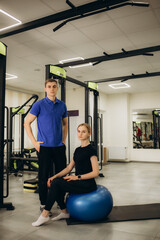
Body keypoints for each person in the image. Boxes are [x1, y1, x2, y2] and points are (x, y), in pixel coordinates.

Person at [32, 123, 99, 227]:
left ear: (89, 134)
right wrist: (54, 176)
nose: (80, 134)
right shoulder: (78, 150)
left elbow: (96, 172)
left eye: (83, 132)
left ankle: (45, 214)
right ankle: (64, 212)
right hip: (78, 182)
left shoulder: (91, 150)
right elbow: (68, 168)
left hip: (87, 184)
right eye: (78, 131)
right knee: (55, 182)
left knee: (57, 184)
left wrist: (76, 177)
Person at [24, 78, 68, 215]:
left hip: (59, 147)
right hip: (44, 147)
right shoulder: (39, 105)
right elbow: (27, 123)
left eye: (54, 86)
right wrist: (34, 142)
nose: (52, 89)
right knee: (43, 177)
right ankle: (43, 204)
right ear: (45, 89)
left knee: (61, 176)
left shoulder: (62, 105)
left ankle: (61, 204)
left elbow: (65, 124)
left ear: (57, 88)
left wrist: (63, 140)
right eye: (49, 86)